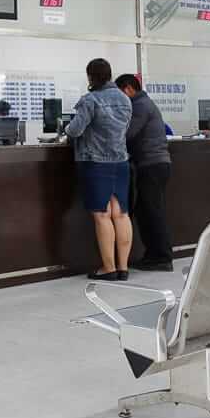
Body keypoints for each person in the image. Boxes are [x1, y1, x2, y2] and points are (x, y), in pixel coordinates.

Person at [64, 58, 134, 281]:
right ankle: (123, 268)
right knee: (121, 214)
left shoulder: (90, 100)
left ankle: (108, 268)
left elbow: (74, 131)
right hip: (121, 162)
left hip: (95, 163)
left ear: (91, 76)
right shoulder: (125, 99)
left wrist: (66, 126)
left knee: (102, 216)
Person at [117, 73, 173, 272]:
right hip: (152, 164)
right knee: (147, 210)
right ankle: (155, 255)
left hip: (152, 164)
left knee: (152, 212)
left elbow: (128, 133)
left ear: (128, 89)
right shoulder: (143, 103)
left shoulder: (140, 106)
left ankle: (161, 257)